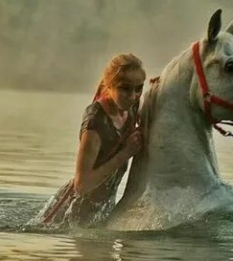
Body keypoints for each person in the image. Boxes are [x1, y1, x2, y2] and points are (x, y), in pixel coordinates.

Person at [29, 53, 146, 229]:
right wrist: (125, 154)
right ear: (109, 85)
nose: (133, 96)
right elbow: (82, 185)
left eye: (139, 88)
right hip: (68, 217)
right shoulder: (95, 124)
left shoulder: (130, 107)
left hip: (100, 210)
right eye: (125, 89)